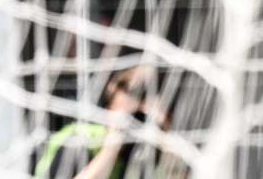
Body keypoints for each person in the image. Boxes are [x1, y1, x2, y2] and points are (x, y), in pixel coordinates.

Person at [35, 67, 176, 179]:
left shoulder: (139, 155)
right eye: (133, 92)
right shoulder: (82, 137)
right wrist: (111, 148)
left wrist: (165, 136)